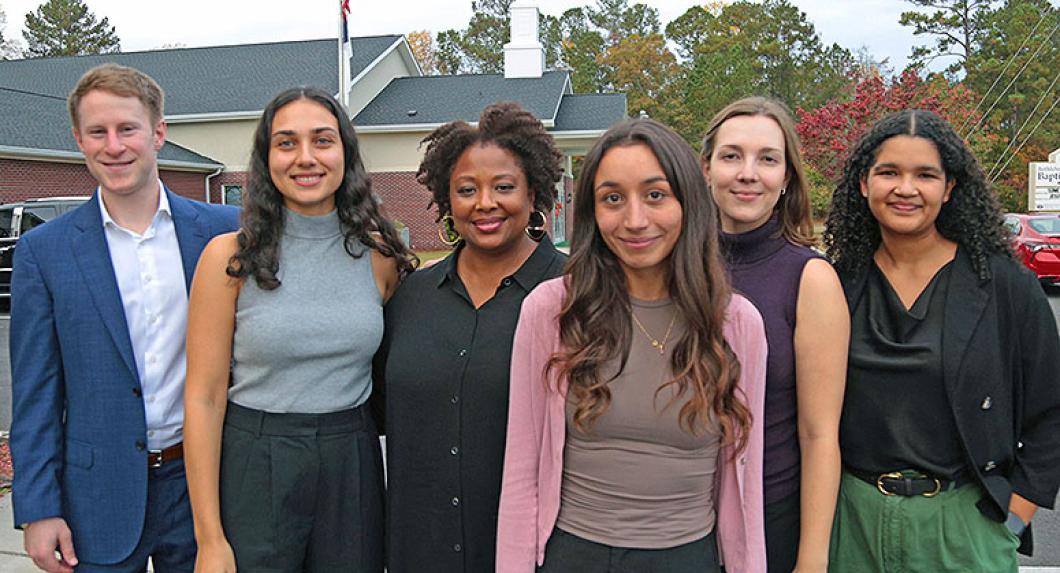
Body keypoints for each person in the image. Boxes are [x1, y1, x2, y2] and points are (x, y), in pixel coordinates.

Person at [496, 118, 768, 573]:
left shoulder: (736, 324)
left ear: (688, 202)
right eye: (613, 199)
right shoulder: (552, 310)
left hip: (689, 557)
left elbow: (746, 480)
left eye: (655, 195)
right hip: (574, 555)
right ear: (593, 210)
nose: (635, 220)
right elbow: (522, 467)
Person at [9, 63, 239, 573]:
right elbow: (36, 394)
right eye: (98, 132)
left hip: (207, 488)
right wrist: (39, 508)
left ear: (158, 133)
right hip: (98, 498)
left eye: (127, 129)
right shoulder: (43, 252)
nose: (114, 146)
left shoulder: (225, 233)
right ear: (79, 140)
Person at [183, 86, 414, 573]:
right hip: (256, 459)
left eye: (322, 140)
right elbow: (203, 397)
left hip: (351, 458)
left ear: (345, 154)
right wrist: (209, 538)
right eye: (287, 143)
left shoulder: (380, 257)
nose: (305, 158)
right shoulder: (229, 258)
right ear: (266, 158)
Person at [823, 109, 1060, 572]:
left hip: (964, 524)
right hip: (850, 522)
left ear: (949, 188)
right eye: (888, 172)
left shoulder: (1005, 285)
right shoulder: (835, 284)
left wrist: (1014, 517)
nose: (905, 188)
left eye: (925, 175)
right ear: (863, 183)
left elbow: (1050, 411)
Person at [376, 102, 566, 572]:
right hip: (418, 549)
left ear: (534, 194)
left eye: (504, 187)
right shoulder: (411, 296)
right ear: (446, 200)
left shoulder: (575, 295)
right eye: (466, 189)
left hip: (532, 552)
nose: (485, 203)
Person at [701, 97, 847, 573]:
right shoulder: (670, 268)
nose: (748, 172)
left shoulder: (810, 278)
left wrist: (812, 557)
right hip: (677, 520)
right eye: (731, 156)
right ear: (705, 169)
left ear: (786, 179)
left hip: (770, 518)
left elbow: (820, 432)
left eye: (767, 159)